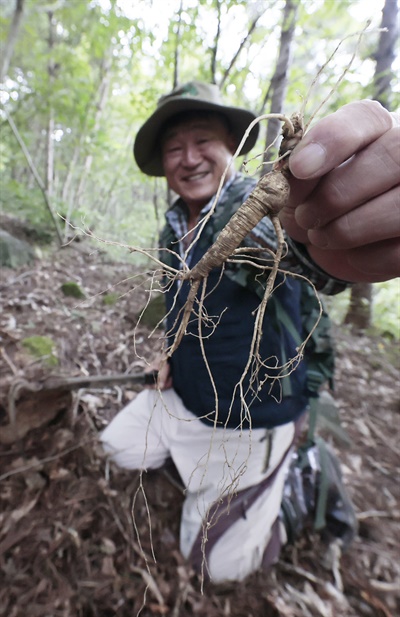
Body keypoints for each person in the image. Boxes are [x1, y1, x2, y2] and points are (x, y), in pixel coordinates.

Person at [100, 81, 399, 583]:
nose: (188, 158)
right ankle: (199, 462)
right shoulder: (173, 224)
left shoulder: (258, 206)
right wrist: (166, 356)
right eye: (174, 148)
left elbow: (311, 262)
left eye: (203, 142)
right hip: (186, 396)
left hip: (252, 417)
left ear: (231, 147)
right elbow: (179, 305)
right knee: (117, 449)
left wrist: (326, 227)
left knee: (216, 569)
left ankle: (292, 477)